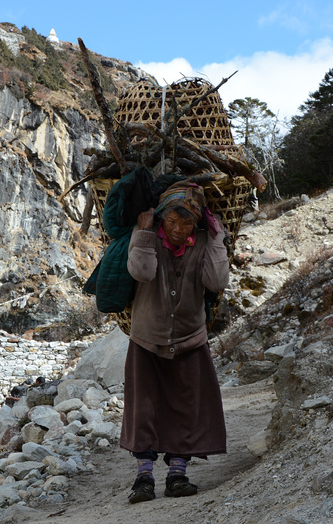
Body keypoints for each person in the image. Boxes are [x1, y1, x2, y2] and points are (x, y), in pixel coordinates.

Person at [120, 180, 230, 503]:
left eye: (185, 222)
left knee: (185, 409)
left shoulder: (204, 243)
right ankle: (143, 478)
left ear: (195, 222)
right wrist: (144, 233)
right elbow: (141, 271)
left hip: (189, 339)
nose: (179, 229)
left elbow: (217, 280)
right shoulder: (147, 237)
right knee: (144, 408)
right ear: (161, 219)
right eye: (171, 221)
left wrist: (217, 238)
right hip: (147, 338)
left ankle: (177, 474)